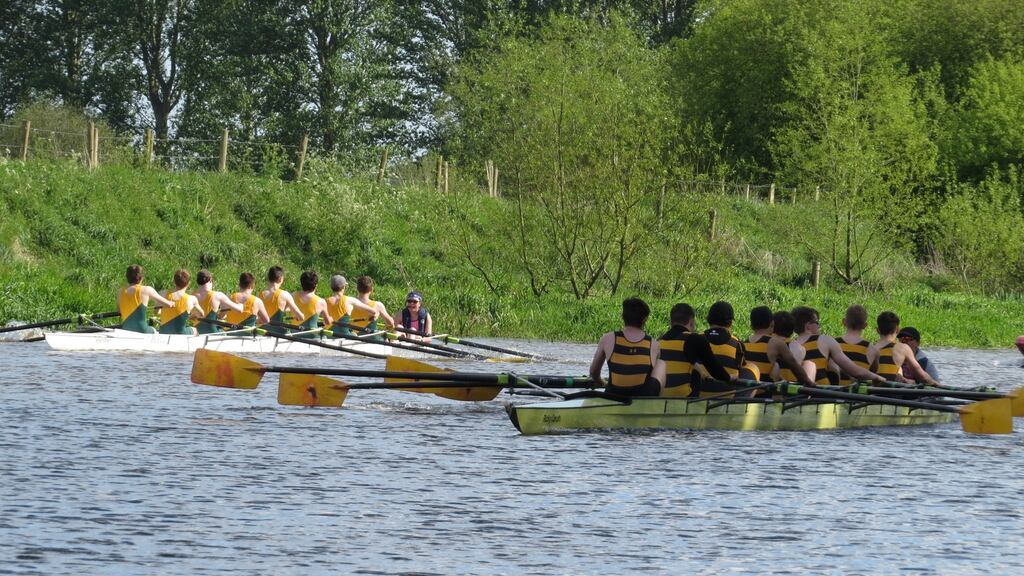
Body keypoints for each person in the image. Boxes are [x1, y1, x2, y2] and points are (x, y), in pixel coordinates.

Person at [589, 297, 665, 397]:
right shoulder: (654, 344)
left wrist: (602, 382)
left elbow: (594, 372)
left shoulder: (607, 338)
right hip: (639, 400)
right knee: (662, 364)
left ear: (622, 316)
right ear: (645, 319)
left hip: (612, 397)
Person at [792, 306, 885, 384]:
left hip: (793, 399)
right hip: (820, 397)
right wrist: (877, 377)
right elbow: (856, 372)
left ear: (844, 322)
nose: (819, 326)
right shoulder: (825, 340)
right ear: (808, 325)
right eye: (817, 322)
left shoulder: (790, 345)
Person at [658, 303, 731, 397]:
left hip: (660, 398)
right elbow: (714, 369)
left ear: (671, 322)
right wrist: (729, 377)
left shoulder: (659, 341)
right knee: (695, 372)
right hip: (684, 399)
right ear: (692, 322)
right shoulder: (694, 338)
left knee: (695, 367)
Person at [745, 307, 817, 387]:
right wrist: (809, 383)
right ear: (772, 324)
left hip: (745, 389)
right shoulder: (775, 343)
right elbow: (793, 364)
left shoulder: (743, 343)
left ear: (751, 325)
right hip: (764, 393)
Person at [872, 312, 940, 386]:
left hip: (873, 393)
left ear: (877, 330)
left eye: (908, 339)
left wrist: (903, 379)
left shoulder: (869, 349)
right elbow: (923, 377)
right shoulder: (903, 348)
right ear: (897, 330)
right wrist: (937, 384)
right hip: (892, 394)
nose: (904, 341)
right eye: (901, 339)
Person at [702, 300, 760, 382]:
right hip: (728, 393)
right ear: (730, 322)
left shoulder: (696, 338)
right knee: (753, 367)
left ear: (708, 319)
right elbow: (740, 367)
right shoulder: (736, 343)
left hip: (697, 393)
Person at [118, 264, 174, 334]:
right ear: (141, 278)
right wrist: (173, 303)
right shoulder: (146, 289)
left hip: (126, 328)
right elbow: (168, 304)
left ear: (127, 277)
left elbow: (120, 311)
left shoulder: (120, 291)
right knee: (153, 329)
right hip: (142, 330)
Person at [833, 305, 879, 386]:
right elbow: (872, 377)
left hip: (835, 394)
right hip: (858, 396)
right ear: (865, 325)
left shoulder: (833, 342)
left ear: (844, 321)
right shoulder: (872, 349)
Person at [191, 269, 243, 334]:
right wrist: (241, 304)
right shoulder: (217, 295)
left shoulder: (191, 296)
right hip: (212, 333)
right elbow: (239, 310)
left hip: (197, 332)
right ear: (210, 280)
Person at [260, 266, 304, 334]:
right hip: (278, 334)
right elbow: (301, 317)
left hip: (262, 332)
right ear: (280, 279)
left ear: (268, 278)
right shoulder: (285, 295)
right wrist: (297, 317)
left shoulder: (259, 295)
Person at [158, 269, 203, 335]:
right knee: (195, 330)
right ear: (189, 283)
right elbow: (201, 313)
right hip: (180, 333)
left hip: (163, 332)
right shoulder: (192, 299)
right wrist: (193, 316)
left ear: (174, 281)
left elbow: (157, 311)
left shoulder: (163, 293)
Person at [291, 270, 331, 337]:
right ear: (316, 285)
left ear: (301, 283)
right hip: (312, 337)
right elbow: (327, 322)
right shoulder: (321, 301)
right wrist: (331, 319)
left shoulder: (293, 295)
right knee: (324, 336)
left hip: (294, 335)